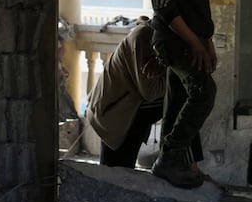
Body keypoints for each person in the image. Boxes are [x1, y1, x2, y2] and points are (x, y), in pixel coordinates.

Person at [147, 0, 217, 188]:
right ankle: (171, 157)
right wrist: (194, 42)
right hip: (176, 41)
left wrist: (207, 40)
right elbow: (165, 6)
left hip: (193, 39)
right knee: (203, 91)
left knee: (178, 101)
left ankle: (185, 164)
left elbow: (199, 7)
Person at [85, 23, 203, 172]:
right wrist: (174, 72)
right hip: (114, 114)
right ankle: (186, 165)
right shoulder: (145, 38)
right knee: (115, 176)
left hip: (128, 111)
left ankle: (189, 165)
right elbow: (151, 91)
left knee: (186, 102)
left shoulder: (157, 37)